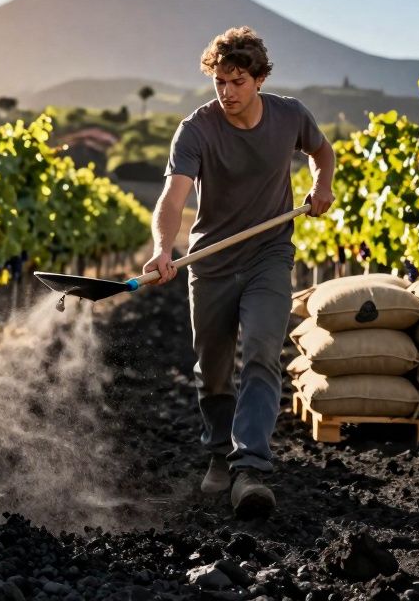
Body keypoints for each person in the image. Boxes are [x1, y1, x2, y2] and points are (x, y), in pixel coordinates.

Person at [143, 26, 335, 518]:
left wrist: (322, 187)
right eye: (219, 82)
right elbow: (174, 196)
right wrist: (164, 247)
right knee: (213, 370)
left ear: (260, 79)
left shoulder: (290, 115)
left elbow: (322, 152)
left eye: (237, 81)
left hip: (269, 255)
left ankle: (249, 466)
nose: (227, 92)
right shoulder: (197, 129)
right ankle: (218, 454)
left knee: (262, 355)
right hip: (210, 263)